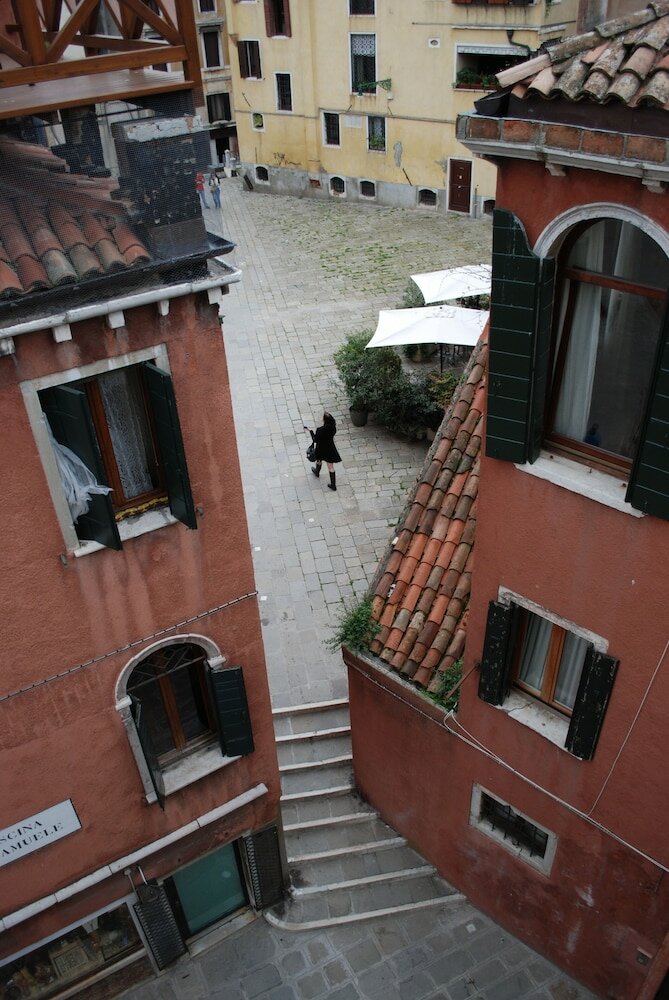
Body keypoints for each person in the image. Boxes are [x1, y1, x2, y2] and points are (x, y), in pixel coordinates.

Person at [305, 412, 341, 491]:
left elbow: (315, 439)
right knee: (330, 466)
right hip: (330, 448)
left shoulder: (320, 430)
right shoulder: (333, 428)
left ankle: (317, 472)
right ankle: (333, 485)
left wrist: (310, 431)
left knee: (319, 460)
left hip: (321, 448)